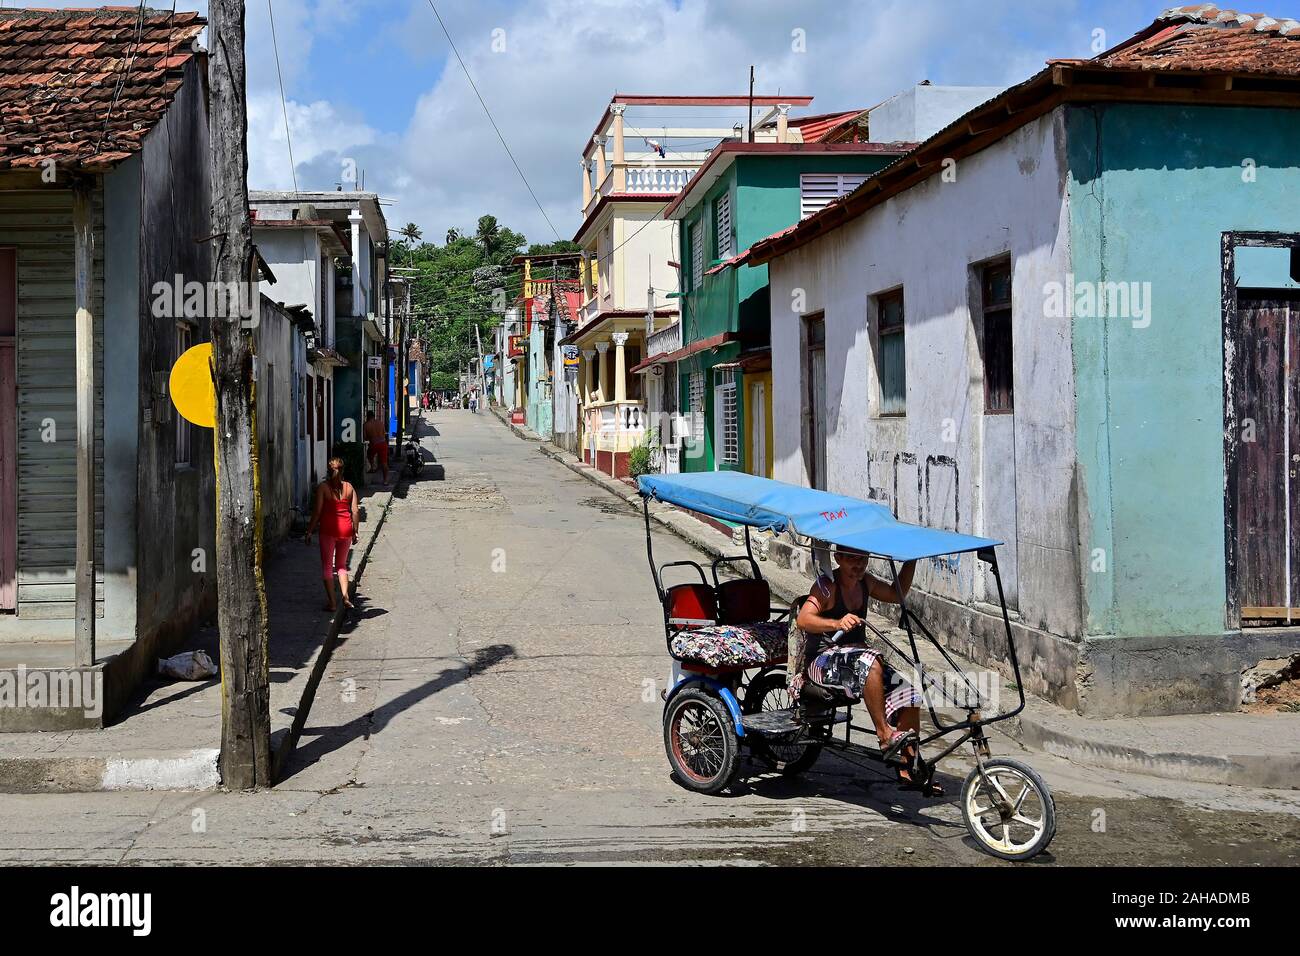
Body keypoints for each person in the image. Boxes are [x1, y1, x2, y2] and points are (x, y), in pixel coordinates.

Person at [794, 545, 931, 788]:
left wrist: (911, 560)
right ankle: (884, 735)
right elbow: (803, 619)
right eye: (852, 560)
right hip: (822, 661)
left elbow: (895, 594)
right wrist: (837, 622)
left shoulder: (865, 582)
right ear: (838, 559)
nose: (858, 565)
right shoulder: (827, 587)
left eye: (863, 560)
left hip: (858, 660)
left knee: (910, 693)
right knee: (872, 660)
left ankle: (909, 764)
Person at [304, 457, 359, 614]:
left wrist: (309, 531)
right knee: (341, 566)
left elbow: (317, 512)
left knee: (327, 566)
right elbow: (355, 511)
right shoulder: (349, 487)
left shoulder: (323, 488)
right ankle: (346, 597)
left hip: (328, 530)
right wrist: (355, 531)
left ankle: (332, 603)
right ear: (343, 470)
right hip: (346, 530)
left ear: (328, 471)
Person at [363, 411, 389, 484]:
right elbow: (384, 433)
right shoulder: (380, 423)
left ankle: (372, 467)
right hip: (383, 443)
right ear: (374, 416)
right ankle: (385, 480)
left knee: (369, 455)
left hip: (373, 444)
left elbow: (365, 437)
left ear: (367, 417)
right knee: (384, 462)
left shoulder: (366, 425)